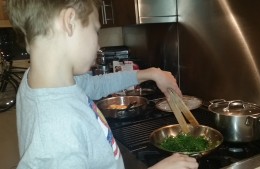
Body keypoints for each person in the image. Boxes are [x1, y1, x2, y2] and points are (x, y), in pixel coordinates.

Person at [7, 0, 199, 169]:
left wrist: (151, 74)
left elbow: (93, 85)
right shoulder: (56, 132)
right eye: (95, 30)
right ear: (69, 22)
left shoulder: (40, 81)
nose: (98, 45)